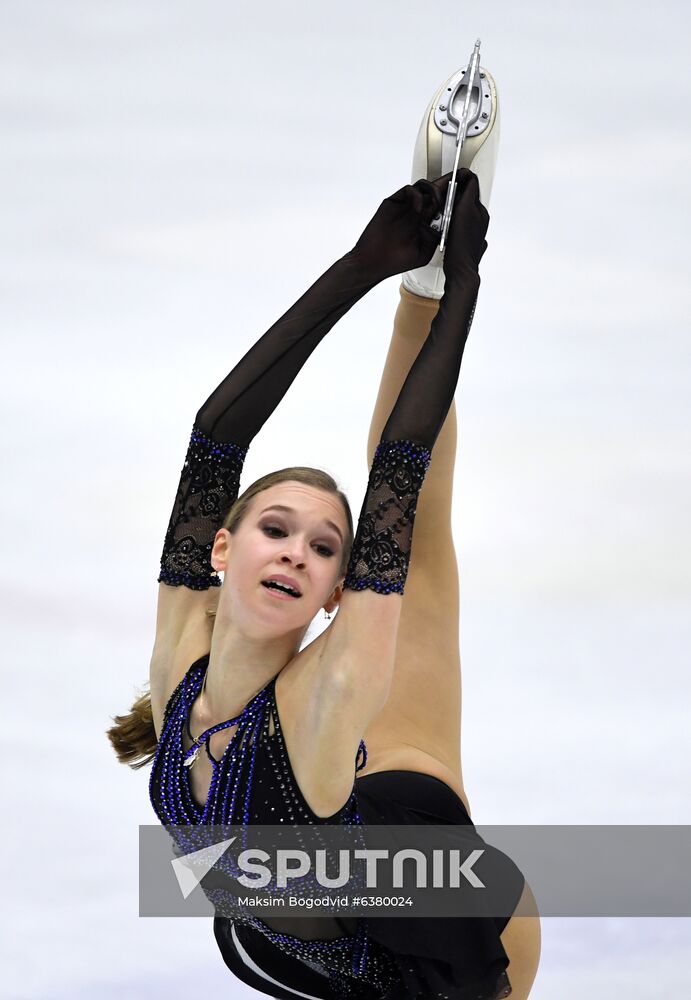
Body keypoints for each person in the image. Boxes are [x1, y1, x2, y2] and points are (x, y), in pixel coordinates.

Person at [108, 63, 541, 1000]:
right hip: (302, 920)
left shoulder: (321, 697)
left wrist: (461, 280)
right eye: (276, 528)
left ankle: (422, 293)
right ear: (219, 551)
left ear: (335, 590)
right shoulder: (179, 653)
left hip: (427, 939)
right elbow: (218, 435)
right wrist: (360, 265)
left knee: (415, 536)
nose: (297, 551)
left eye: (323, 548)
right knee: (406, 546)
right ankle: (412, 286)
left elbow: (398, 481)